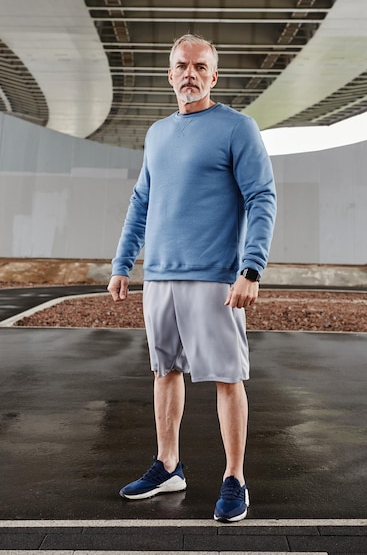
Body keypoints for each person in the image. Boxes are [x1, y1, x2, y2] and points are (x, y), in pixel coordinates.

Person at [108, 33, 276, 522]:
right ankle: (168, 465)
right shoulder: (157, 133)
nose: (190, 75)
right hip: (159, 277)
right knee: (165, 371)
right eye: (182, 66)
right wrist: (123, 263)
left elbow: (262, 197)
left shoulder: (236, 128)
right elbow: (142, 201)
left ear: (214, 76)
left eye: (201, 67)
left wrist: (251, 268)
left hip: (215, 278)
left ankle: (235, 478)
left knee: (226, 377)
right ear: (169, 74)